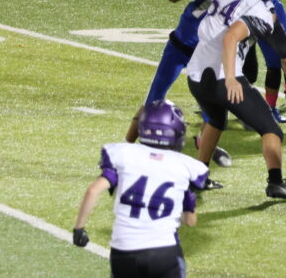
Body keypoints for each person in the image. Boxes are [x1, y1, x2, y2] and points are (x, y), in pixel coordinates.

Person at [123, 0, 251, 172]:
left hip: (207, 54)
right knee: (153, 100)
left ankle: (204, 147)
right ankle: (126, 146)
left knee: (212, 110)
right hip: (180, 47)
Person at [186, 0, 286, 200]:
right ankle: (276, 183)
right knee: (271, 130)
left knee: (216, 120)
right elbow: (232, 36)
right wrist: (231, 78)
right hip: (223, 77)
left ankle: (199, 176)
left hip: (196, 74)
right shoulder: (258, 11)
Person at [72, 100, 209, 276]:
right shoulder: (185, 166)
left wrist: (79, 228)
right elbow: (190, 221)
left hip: (124, 251)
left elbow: (93, 191)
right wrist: (188, 201)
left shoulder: (123, 154)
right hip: (163, 251)